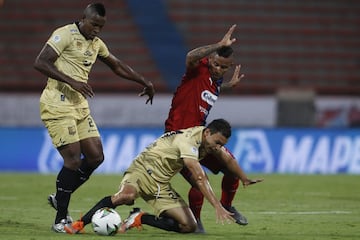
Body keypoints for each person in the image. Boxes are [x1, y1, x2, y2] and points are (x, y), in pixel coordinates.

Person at [33, 3, 155, 233]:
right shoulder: (64, 34)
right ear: (83, 19)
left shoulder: (96, 44)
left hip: (79, 106)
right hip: (57, 104)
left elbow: (116, 65)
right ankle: (60, 219)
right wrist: (72, 81)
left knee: (96, 156)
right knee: (73, 161)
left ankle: (61, 196)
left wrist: (144, 81)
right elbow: (40, 62)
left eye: (101, 26)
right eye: (94, 24)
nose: (97, 30)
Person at [164, 24, 263, 233]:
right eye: (216, 64)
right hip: (178, 139)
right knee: (200, 181)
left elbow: (212, 87)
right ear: (209, 59)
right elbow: (190, 55)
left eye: (224, 67)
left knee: (231, 170)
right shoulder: (197, 69)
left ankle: (227, 204)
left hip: (200, 137)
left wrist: (227, 85)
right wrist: (218, 44)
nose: (219, 69)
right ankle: (196, 221)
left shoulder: (215, 80)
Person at [64, 119, 236, 234]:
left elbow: (221, 165)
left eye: (221, 145)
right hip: (142, 169)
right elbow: (199, 177)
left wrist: (242, 178)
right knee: (126, 196)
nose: (218, 147)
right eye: (217, 143)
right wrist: (217, 205)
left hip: (161, 184)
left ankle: (139, 218)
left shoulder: (205, 142)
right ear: (207, 133)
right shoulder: (188, 141)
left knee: (188, 226)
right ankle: (80, 223)